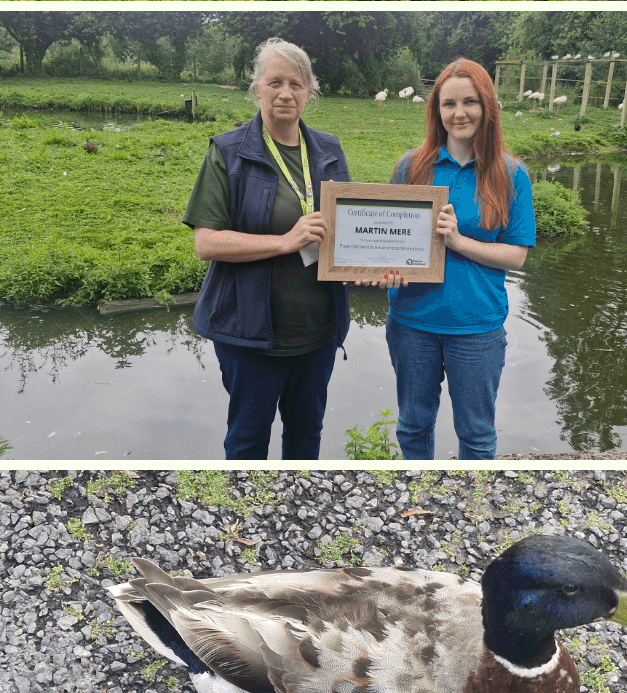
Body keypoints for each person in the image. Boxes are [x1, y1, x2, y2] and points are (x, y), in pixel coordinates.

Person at [184, 38, 351, 459]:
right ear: (256, 87)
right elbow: (206, 243)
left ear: (309, 91)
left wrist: (375, 267)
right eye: (274, 81)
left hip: (317, 333)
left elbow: (344, 233)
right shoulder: (228, 152)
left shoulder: (328, 151)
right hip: (250, 335)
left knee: (306, 438)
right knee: (247, 441)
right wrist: (284, 241)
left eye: (296, 84)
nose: (285, 93)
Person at [379, 58, 535, 459]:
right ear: (437, 110)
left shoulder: (511, 173)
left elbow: (516, 256)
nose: (459, 113)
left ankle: (472, 511)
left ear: (488, 107)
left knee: (477, 434)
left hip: (477, 327)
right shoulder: (410, 167)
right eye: (449, 104)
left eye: (470, 102)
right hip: (413, 323)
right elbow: (390, 243)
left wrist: (458, 242)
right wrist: (385, 271)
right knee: (413, 426)